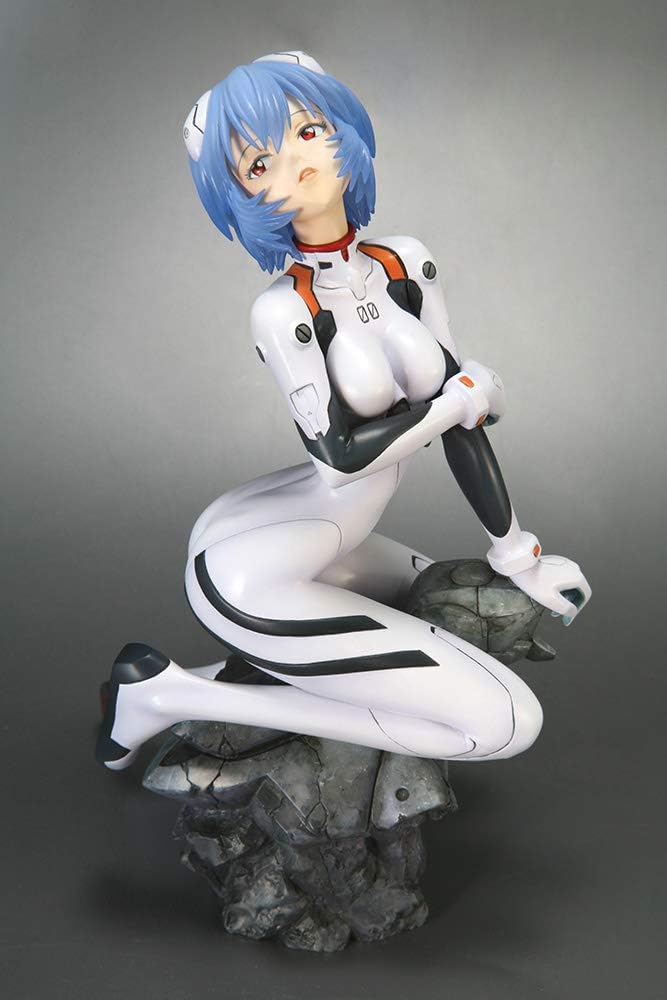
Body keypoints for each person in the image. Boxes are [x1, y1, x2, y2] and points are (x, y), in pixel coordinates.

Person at [96, 51, 590, 772]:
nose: (295, 163)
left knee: (464, 605)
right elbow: (339, 458)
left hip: (330, 544)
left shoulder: (404, 263)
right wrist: (458, 402)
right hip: (251, 573)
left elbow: (467, 420)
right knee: (504, 725)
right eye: (258, 164)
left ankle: (224, 681)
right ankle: (165, 697)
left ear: (343, 132)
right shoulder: (283, 310)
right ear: (239, 195)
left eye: (307, 131)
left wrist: (517, 554)